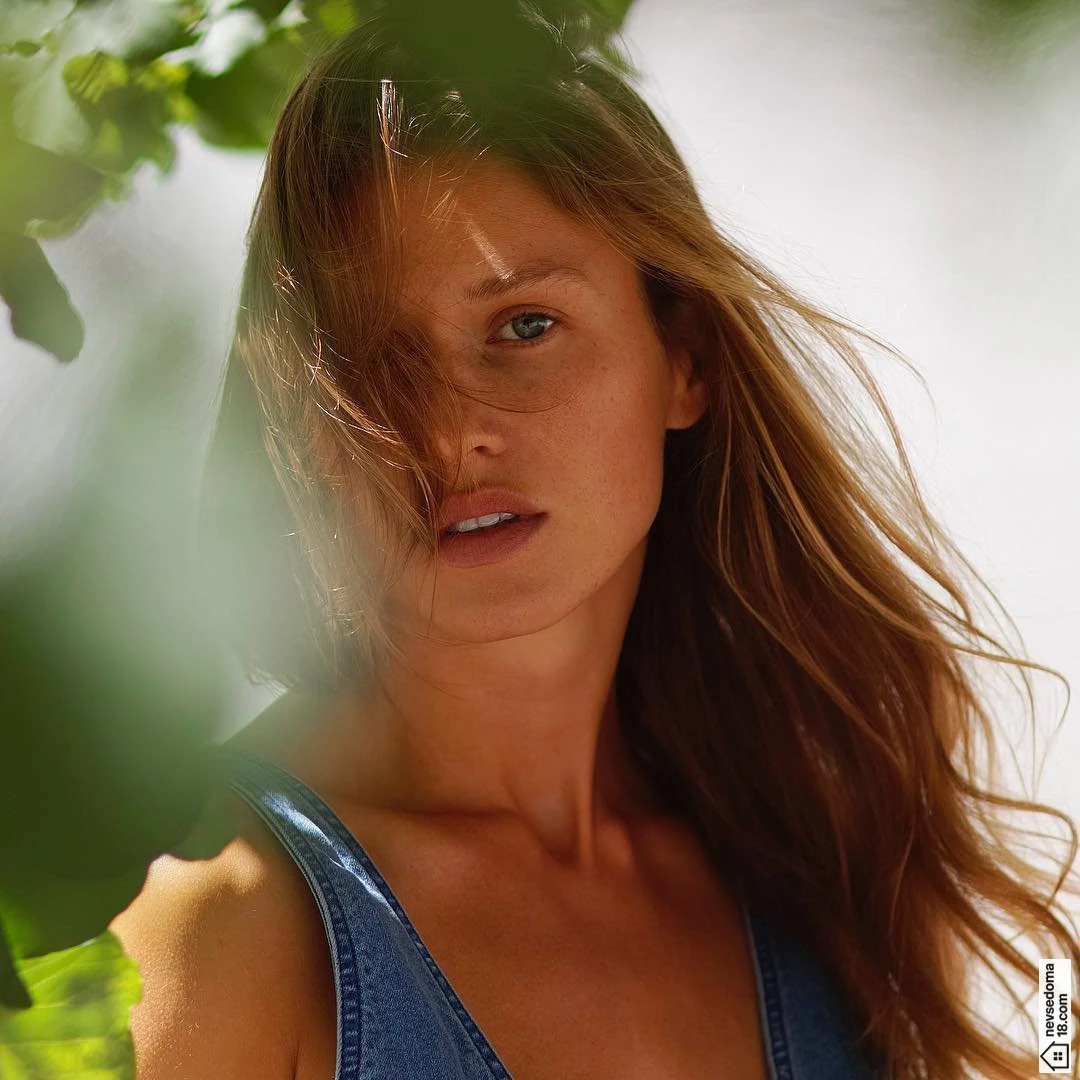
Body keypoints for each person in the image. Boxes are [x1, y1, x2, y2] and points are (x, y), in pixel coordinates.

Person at [110, 4, 1080, 1078]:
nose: (448, 433)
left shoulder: (815, 862)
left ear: (685, 358)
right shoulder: (216, 923)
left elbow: (1052, 1012)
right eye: (372, 363)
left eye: (524, 326)